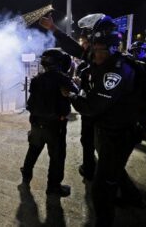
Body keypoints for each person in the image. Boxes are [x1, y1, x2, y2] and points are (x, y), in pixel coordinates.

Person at [58, 15, 145, 226]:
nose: (92, 54)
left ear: (110, 48)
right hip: (112, 130)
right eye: (93, 48)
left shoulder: (115, 72)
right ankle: (133, 197)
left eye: (97, 49)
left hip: (118, 134)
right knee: (113, 170)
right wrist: (54, 29)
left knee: (101, 189)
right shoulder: (105, 57)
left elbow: (90, 107)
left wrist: (71, 95)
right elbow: (78, 51)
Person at [39, 15, 96, 180]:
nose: (83, 47)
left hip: (107, 120)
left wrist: (72, 94)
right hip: (88, 114)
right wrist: (54, 29)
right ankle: (89, 167)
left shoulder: (117, 65)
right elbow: (75, 49)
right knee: (88, 142)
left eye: (86, 43)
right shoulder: (91, 60)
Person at [20, 49, 78, 197]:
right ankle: (53, 187)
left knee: (33, 150)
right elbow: (76, 92)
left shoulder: (37, 79)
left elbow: (30, 104)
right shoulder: (63, 79)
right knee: (57, 158)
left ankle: (26, 175)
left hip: (36, 124)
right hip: (55, 127)